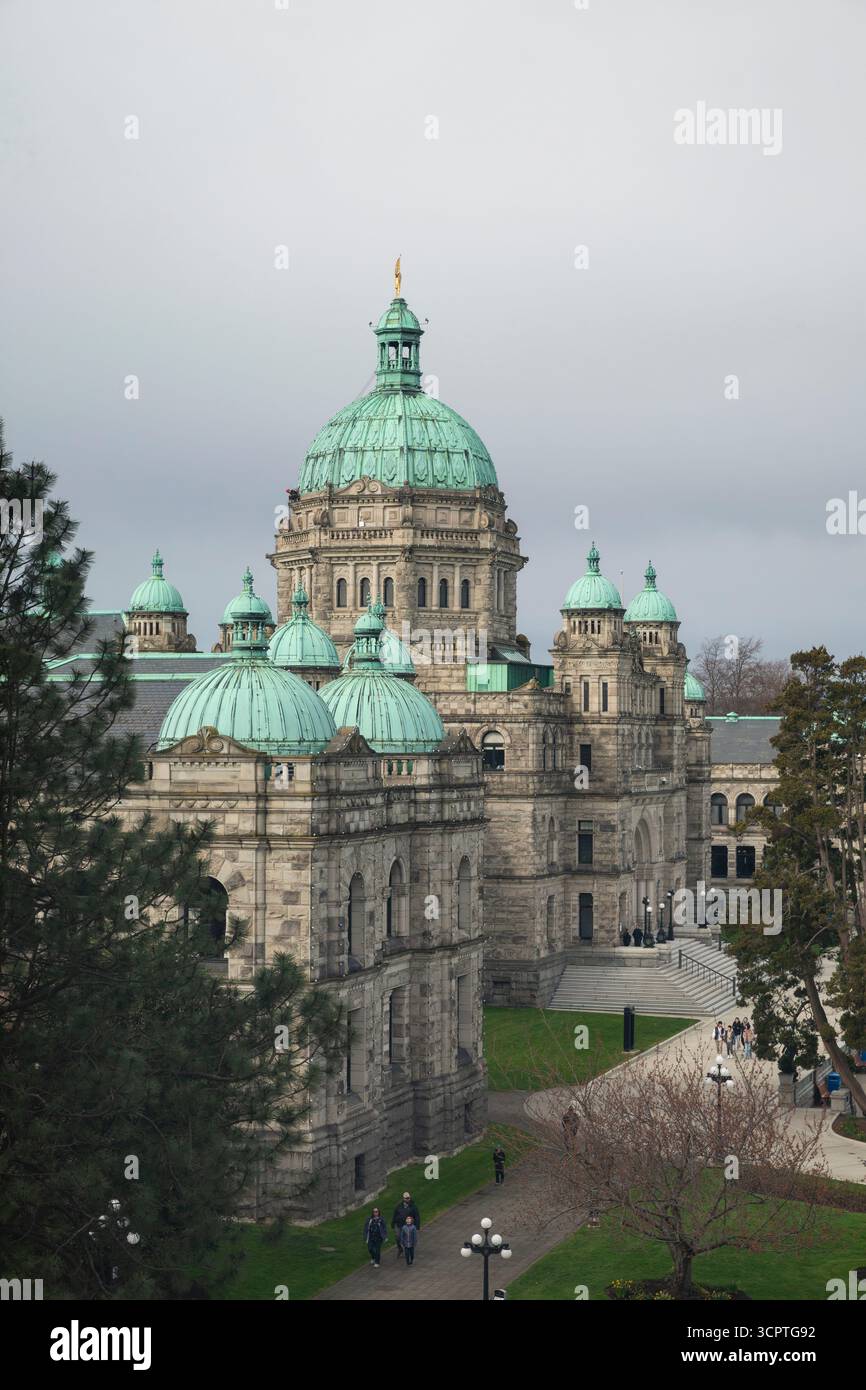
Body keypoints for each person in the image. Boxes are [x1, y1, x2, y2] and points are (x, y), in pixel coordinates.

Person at [392, 1191, 421, 1258]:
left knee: (407, 1238)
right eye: (406, 1198)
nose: (407, 1199)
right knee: (397, 1237)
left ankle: (407, 1250)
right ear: (403, 1198)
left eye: (408, 1198)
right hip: (398, 1224)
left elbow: (417, 1216)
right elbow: (395, 1214)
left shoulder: (413, 1207)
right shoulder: (399, 1206)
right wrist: (393, 1222)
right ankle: (400, 1249)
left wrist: (417, 1226)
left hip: (407, 1225)